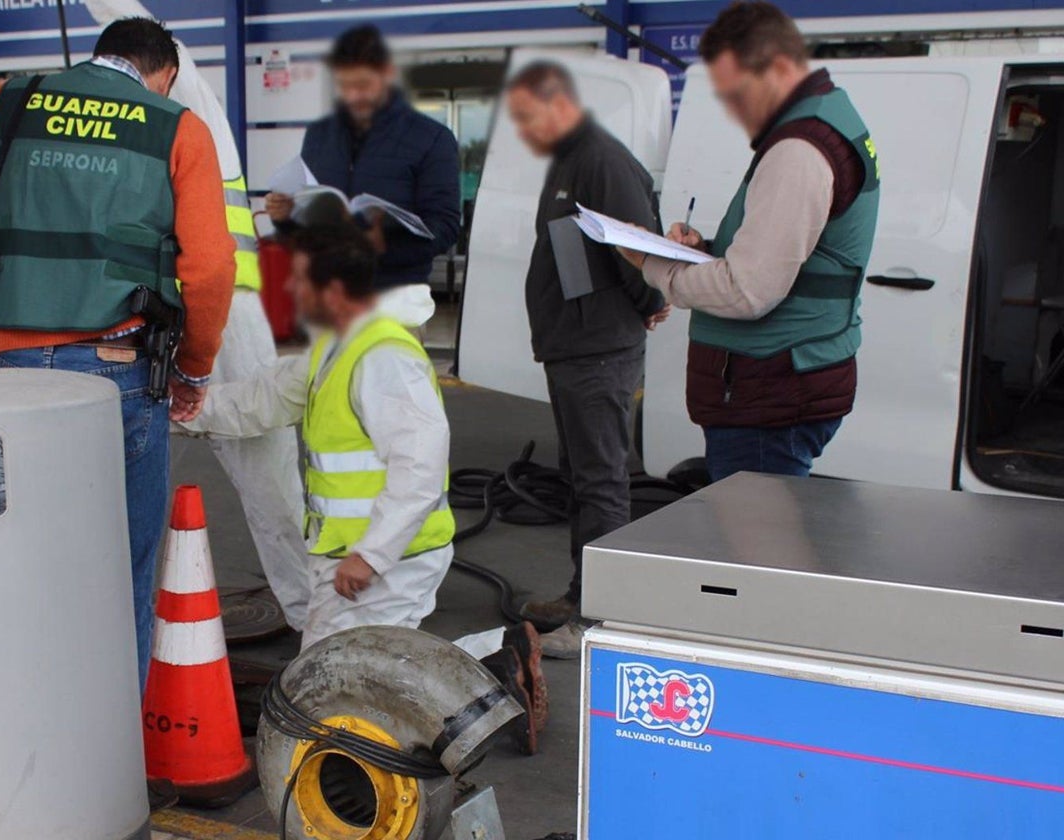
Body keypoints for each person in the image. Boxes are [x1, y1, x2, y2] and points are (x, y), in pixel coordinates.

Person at [0, 17, 235, 691]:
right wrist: (193, 368)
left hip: (7, 379)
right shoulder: (176, 127)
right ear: (166, 74)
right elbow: (210, 271)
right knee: (118, 569)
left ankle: (30, 742)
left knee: (19, 563)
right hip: (117, 373)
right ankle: (110, 764)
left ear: (99, 56)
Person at [181, 225, 548, 753]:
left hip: (382, 561)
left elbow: (419, 466)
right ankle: (497, 656)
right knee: (369, 664)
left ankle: (486, 665)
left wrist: (371, 557)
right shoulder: (336, 349)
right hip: (360, 557)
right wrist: (186, 408)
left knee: (335, 681)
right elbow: (262, 400)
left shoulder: (383, 357)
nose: (295, 294)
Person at [82, 0, 309, 633]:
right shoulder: (155, 99)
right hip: (196, 306)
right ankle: (305, 615)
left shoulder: (174, 90)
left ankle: (307, 615)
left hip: (216, 304)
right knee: (239, 467)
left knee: (250, 459)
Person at [618, 1, 879, 484]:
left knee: (756, 548)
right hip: (784, 383)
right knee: (771, 541)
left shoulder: (800, 149)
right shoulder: (826, 119)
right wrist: (705, 248)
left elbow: (747, 290)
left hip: (770, 393)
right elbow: (790, 248)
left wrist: (651, 263)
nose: (734, 111)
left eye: (738, 92)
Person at [506, 61, 671, 659]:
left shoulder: (601, 159)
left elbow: (637, 244)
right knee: (581, 477)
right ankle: (583, 595)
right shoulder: (570, 161)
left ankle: (602, 620)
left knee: (602, 482)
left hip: (599, 349)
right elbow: (577, 249)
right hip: (575, 347)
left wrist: (650, 302)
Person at [265, 24, 460, 328]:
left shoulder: (432, 138)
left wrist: (383, 245)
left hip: (395, 306)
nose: (354, 95)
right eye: (345, 85)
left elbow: (446, 226)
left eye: (363, 84)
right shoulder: (319, 135)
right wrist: (286, 217)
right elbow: (306, 226)